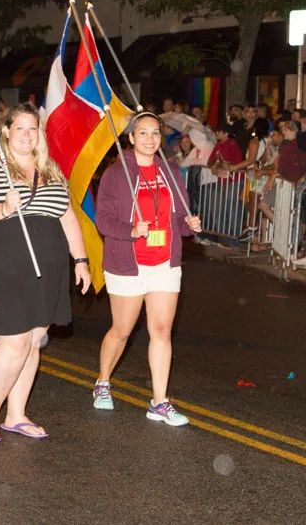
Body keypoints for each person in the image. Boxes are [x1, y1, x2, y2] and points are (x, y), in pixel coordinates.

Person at [0, 103, 91, 445]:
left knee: (34, 342)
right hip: (1, 264)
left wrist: (81, 260)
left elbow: (67, 217)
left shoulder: (50, 170)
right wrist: (3, 208)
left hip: (46, 266)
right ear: (6, 132)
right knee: (14, 343)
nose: (28, 135)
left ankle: (16, 415)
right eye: (21, 128)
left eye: (34, 128)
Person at [93, 112, 202, 426]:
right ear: (131, 137)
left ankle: (159, 401)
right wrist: (130, 230)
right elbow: (103, 220)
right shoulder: (116, 173)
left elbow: (178, 216)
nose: (150, 139)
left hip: (164, 262)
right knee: (122, 330)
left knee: (162, 331)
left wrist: (189, 224)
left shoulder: (170, 171)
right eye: (143, 133)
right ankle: (102, 381)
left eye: (155, 133)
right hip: (128, 263)